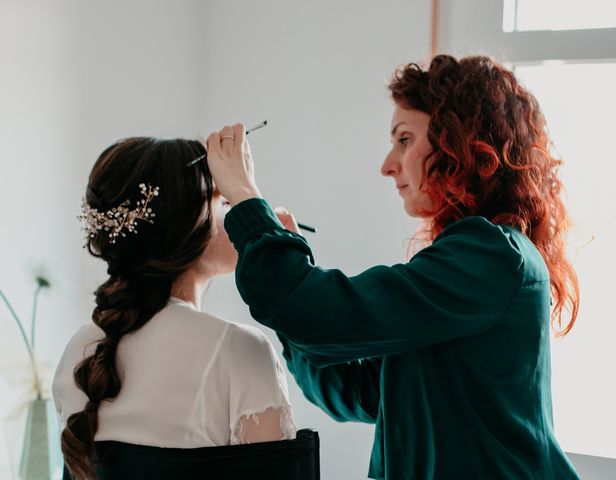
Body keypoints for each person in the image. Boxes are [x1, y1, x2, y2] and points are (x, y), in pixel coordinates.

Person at [206, 54, 581, 479]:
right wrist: (282, 269)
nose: (387, 165)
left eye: (404, 140)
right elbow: (357, 393)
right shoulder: (470, 259)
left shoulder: (491, 256)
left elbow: (321, 318)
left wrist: (248, 203)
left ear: (461, 142)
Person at [52, 137, 297, 480]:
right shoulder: (240, 351)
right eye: (224, 202)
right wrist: (284, 264)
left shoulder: (78, 350)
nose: (235, 216)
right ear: (193, 226)